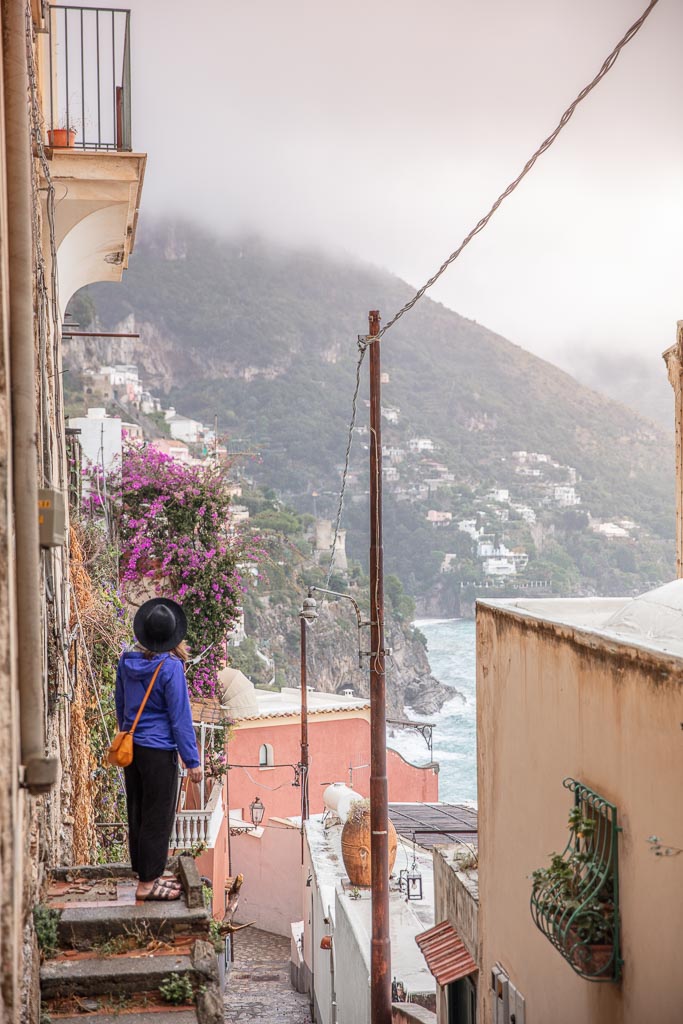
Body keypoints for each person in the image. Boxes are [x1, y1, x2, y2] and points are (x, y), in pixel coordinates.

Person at [115, 597, 202, 901]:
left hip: (132, 748)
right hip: (159, 751)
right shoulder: (171, 668)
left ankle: (145, 873)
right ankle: (147, 885)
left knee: (137, 811)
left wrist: (129, 733)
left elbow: (121, 706)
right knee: (158, 815)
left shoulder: (126, 662)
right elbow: (180, 718)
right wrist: (192, 761)